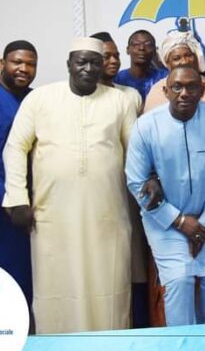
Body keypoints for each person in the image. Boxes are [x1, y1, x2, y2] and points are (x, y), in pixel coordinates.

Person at [3, 37, 136, 333]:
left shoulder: (120, 101)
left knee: (108, 283)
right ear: (68, 65)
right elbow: (15, 148)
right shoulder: (40, 100)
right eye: (81, 62)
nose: (88, 68)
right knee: (56, 285)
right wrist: (17, 199)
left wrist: (149, 182)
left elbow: (136, 152)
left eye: (95, 62)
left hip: (107, 214)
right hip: (53, 215)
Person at [126, 65, 205, 326]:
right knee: (180, 280)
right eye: (177, 87)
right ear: (165, 91)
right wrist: (179, 221)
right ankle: (182, 341)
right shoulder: (146, 126)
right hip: (165, 221)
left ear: (202, 91)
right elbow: (136, 181)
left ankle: (204, 336)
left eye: (191, 87)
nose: (184, 93)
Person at [91, 31, 148, 327]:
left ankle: (136, 324)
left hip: (130, 192)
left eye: (115, 56)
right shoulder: (79, 99)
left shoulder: (129, 95)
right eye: (105, 56)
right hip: (96, 195)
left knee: (133, 260)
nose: (112, 61)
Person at [0, 40, 37, 321]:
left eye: (31, 64)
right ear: (2, 64)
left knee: (25, 278)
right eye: (17, 62)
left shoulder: (35, 100)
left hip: (26, 206)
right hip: (6, 205)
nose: (24, 69)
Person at [143, 31, 205, 113]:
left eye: (188, 55)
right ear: (168, 64)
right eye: (177, 58)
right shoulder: (158, 90)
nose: (184, 61)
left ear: (196, 58)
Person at [91, 32, 142, 114]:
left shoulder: (131, 94)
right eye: (106, 57)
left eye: (116, 56)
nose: (114, 61)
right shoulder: (84, 97)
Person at [114, 30, 168, 100]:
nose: (142, 48)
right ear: (127, 50)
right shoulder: (117, 79)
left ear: (154, 51)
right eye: (136, 44)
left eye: (148, 45)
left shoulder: (164, 77)